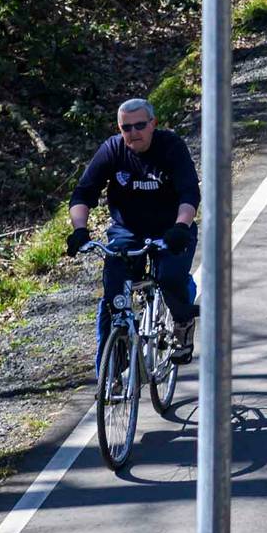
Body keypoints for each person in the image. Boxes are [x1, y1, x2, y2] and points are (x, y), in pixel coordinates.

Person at [65, 98, 202, 361]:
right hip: (127, 231)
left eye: (140, 125)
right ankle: (113, 368)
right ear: (119, 129)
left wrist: (181, 226)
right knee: (114, 295)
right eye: (126, 128)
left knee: (170, 277)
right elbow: (83, 193)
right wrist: (79, 230)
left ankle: (182, 324)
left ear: (153, 124)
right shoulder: (112, 150)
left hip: (171, 228)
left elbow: (189, 193)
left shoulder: (171, 147)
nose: (133, 132)